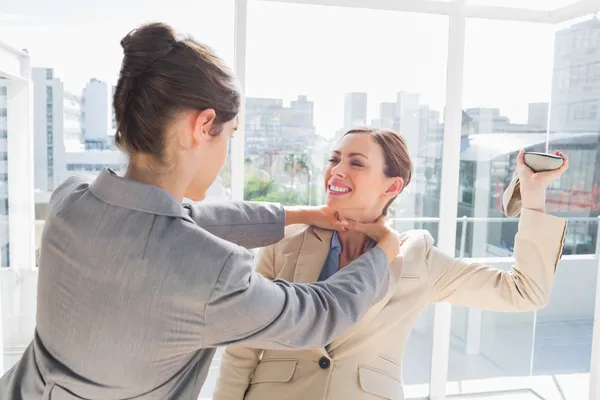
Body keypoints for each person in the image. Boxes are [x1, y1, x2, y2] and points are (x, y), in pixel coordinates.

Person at [0, 24, 402, 400]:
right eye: (230, 135)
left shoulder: (70, 200)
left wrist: (300, 215)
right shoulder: (212, 273)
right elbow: (319, 313)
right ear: (203, 125)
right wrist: (384, 251)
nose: (226, 152)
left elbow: (177, 220)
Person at [213, 127, 569, 400]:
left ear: (392, 186)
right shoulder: (285, 241)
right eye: (334, 159)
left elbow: (525, 292)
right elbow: (243, 346)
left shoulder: (417, 257)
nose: (337, 171)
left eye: (356, 163)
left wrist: (534, 199)